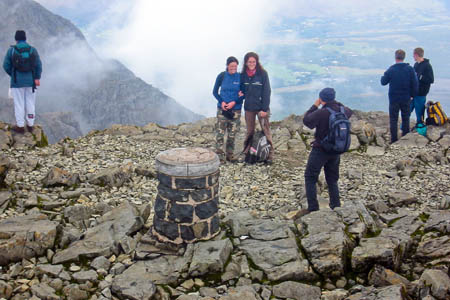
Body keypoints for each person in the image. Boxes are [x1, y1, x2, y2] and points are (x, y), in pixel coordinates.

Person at [298, 88, 352, 216]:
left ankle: (313, 208)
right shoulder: (344, 110)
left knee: (310, 177)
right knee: (332, 179)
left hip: (321, 150)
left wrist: (315, 105)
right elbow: (350, 111)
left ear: (321, 99)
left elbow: (307, 121)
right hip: (336, 150)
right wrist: (336, 103)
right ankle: (336, 205)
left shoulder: (321, 112)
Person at [2, 30, 42, 134]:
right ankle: (30, 125)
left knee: (19, 103)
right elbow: (38, 65)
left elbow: (6, 65)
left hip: (17, 82)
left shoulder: (11, 51)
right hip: (31, 82)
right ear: (25, 38)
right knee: (30, 102)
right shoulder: (33, 50)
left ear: (16, 39)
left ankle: (20, 126)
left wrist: (13, 74)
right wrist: (37, 78)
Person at [240, 52, 273, 163]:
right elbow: (243, 91)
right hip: (249, 107)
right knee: (249, 131)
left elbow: (266, 91)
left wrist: (264, 109)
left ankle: (269, 155)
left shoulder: (262, 74)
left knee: (266, 130)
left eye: (254, 61)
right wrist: (241, 94)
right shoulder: (243, 75)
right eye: (249, 62)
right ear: (246, 62)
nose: (251, 64)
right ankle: (247, 153)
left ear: (257, 62)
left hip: (261, 108)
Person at [381, 49, 418, 143]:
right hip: (406, 98)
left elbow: (383, 82)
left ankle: (394, 139)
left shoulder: (391, 69)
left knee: (393, 119)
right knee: (406, 117)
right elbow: (415, 83)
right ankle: (405, 138)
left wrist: (385, 74)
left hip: (394, 98)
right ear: (404, 57)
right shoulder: (409, 69)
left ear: (395, 57)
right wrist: (412, 95)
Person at [212, 56, 243, 162]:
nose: (233, 68)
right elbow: (215, 92)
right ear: (227, 66)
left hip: (236, 110)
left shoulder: (240, 77)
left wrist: (234, 102)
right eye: (231, 66)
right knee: (220, 133)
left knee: (232, 134)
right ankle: (220, 157)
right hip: (222, 109)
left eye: (235, 66)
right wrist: (222, 102)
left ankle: (230, 155)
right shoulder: (222, 76)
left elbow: (243, 94)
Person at [411, 47, 434, 125]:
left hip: (421, 93)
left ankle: (420, 130)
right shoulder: (416, 65)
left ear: (416, 55)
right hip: (413, 93)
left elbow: (431, 79)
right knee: (407, 111)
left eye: (413, 55)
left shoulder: (427, 66)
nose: (413, 57)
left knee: (419, 114)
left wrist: (420, 77)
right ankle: (403, 129)